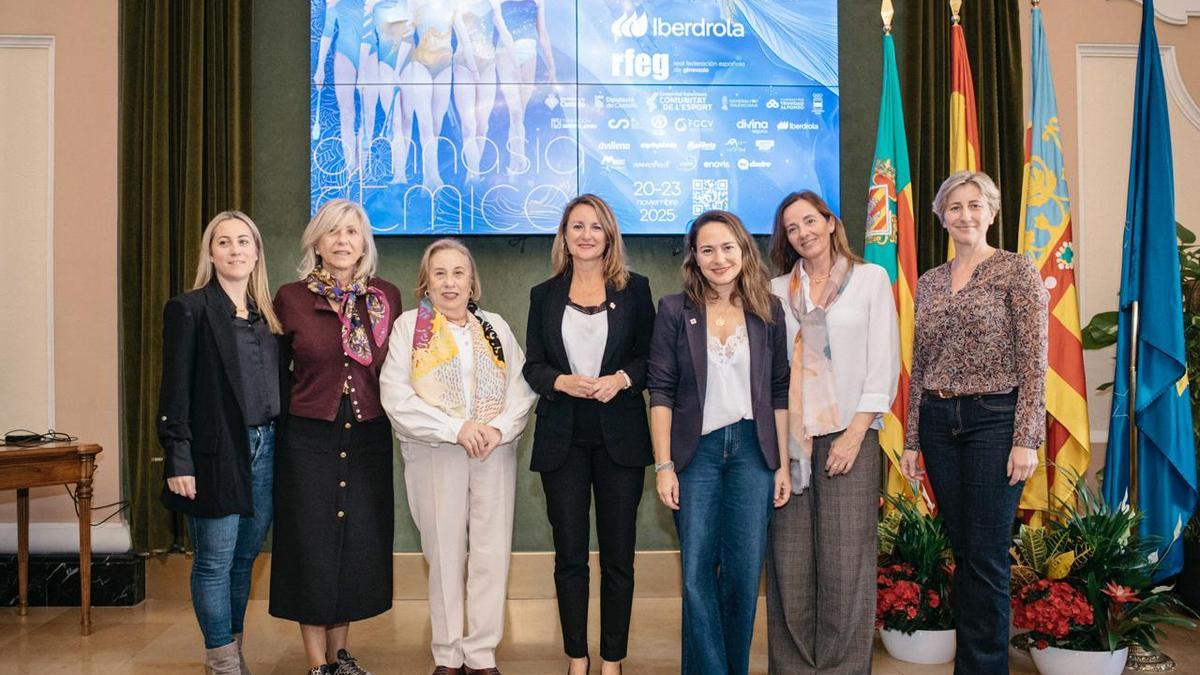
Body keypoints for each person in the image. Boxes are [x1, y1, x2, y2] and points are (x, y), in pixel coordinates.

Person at [899, 171, 1047, 675]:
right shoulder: (931, 281)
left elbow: (1034, 361)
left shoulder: (1016, 270)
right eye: (955, 206)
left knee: (986, 558)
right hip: (939, 421)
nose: (965, 214)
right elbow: (921, 365)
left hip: (995, 419)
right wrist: (913, 441)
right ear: (941, 217)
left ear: (992, 212)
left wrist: (1027, 438)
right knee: (964, 553)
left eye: (975, 204)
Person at [380, 238, 537, 675]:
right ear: (425, 283)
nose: (450, 282)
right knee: (444, 555)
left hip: (493, 451)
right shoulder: (409, 328)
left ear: (473, 282)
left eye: (459, 273)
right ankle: (448, 654)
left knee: (491, 553)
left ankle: (482, 654)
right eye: (440, 273)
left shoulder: (496, 328)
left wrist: (496, 429)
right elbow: (396, 397)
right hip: (436, 454)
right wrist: (456, 429)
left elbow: (522, 390)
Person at [647, 210, 791, 675]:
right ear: (694, 257)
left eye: (728, 247)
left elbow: (779, 391)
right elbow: (661, 391)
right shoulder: (674, 310)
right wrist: (664, 465)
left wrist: (782, 465)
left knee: (744, 575)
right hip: (697, 455)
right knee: (695, 576)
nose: (719, 258)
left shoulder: (769, 310)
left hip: (753, 452)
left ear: (744, 250)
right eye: (707, 249)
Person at [764, 191, 899, 674]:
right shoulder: (776, 289)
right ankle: (795, 667)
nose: (803, 232)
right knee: (790, 566)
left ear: (830, 221)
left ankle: (843, 668)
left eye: (809, 221)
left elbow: (883, 361)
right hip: (790, 443)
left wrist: (855, 434)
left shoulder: (870, 280)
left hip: (850, 437)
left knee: (846, 566)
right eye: (792, 228)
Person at [269, 199, 404, 675]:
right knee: (310, 544)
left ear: (364, 240)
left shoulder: (386, 297)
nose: (343, 241)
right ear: (317, 243)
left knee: (353, 542)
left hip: (367, 434)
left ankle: (339, 655)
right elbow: (276, 373)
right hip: (308, 436)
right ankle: (314, 663)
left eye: (352, 231)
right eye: (333, 233)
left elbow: (397, 372)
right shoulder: (290, 298)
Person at [523, 195, 655, 675]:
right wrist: (559, 381)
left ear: (609, 235)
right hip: (562, 441)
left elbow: (649, 361)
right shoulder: (544, 294)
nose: (585, 234)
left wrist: (620, 379)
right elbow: (532, 366)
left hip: (621, 439)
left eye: (595, 227)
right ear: (564, 236)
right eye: (576, 226)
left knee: (619, 557)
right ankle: (577, 657)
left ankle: (612, 659)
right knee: (570, 556)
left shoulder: (636, 290)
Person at [158, 211, 282, 675]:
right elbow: (174, 391)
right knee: (214, 561)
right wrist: (178, 458)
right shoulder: (189, 309)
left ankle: (233, 647)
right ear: (211, 253)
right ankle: (222, 660)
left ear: (256, 252)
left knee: (245, 558)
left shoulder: (268, 316)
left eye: (244, 241)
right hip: (215, 453)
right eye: (224, 242)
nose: (235, 250)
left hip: (266, 449)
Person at [495, 0, 555, 174]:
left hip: (529, 52)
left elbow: (542, 33)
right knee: (515, 111)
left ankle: (517, 161)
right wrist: (512, 58)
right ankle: (517, 160)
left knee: (520, 112)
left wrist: (551, 64)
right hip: (506, 51)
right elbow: (497, 23)